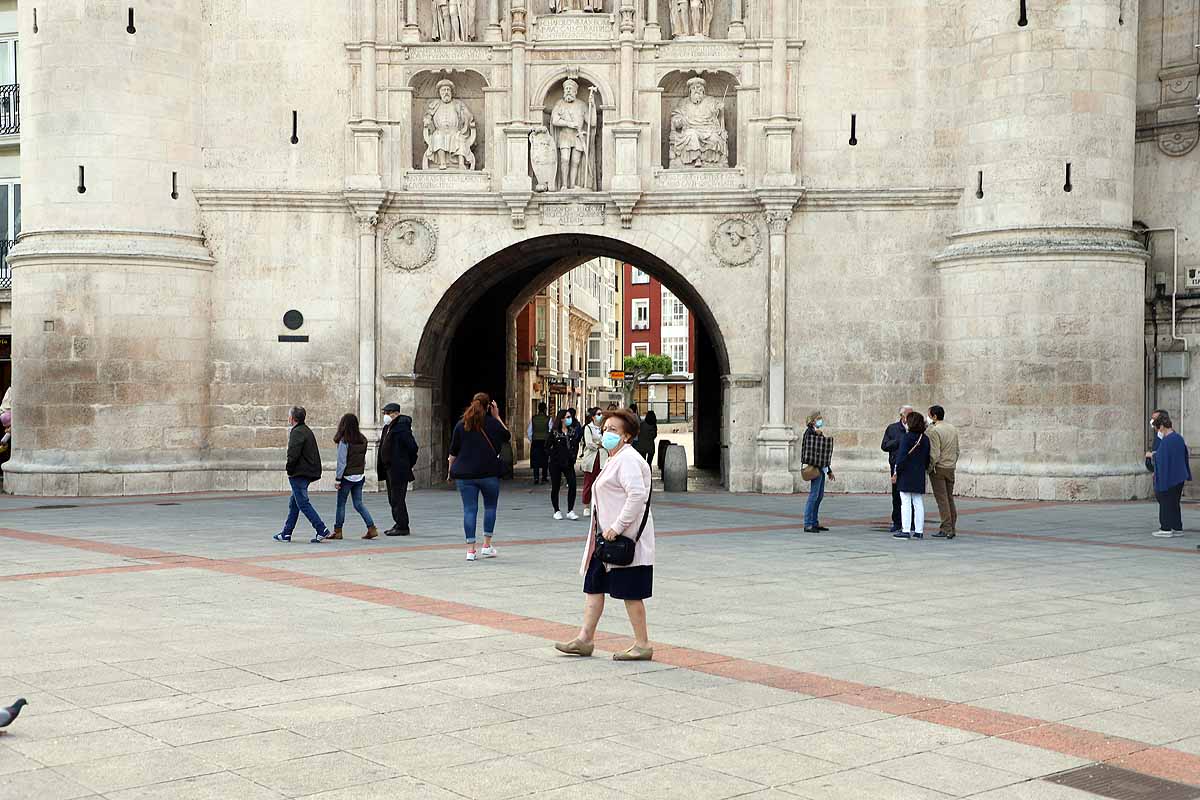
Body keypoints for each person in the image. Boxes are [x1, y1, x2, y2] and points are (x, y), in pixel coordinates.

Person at [555, 408, 655, 661]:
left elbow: (637, 496)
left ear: (627, 436)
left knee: (631, 593)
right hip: (605, 542)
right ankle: (584, 639)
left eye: (614, 430)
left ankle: (642, 644)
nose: (606, 432)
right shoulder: (614, 458)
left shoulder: (629, 459)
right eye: (605, 428)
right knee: (594, 587)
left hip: (623, 540)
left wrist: (617, 527)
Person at [449, 393, 511, 561]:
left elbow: (453, 452)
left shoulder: (462, 424)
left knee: (469, 510)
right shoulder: (493, 424)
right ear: (489, 406)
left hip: (465, 474)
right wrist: (497, 417)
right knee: (490, 508)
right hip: (488, 473)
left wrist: (450, 470)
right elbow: (507, 436)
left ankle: (470, 550)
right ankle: (486, 545)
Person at [274, 406, 333, 544]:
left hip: (299, 473)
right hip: (306, 472)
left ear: (292, 418)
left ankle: (321, 529)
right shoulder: (305, 430)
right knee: (294, 503)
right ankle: (286, 533)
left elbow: (293, 453)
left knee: (303, 503)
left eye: (289, 416)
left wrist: (289, 469)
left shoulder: (297, 432)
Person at [331, 414, 379, 541]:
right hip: (359, 476)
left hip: (346, 477)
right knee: (358, 504)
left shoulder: (344, 441)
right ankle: (371, 527)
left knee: (341, 504)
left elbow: (342, 462)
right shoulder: (363, 439)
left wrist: (338, 479)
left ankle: (338, 531)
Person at [378, 402, 419, 536]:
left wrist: (407, 463)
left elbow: (413, 447)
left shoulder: (402, 428)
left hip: (399, 469)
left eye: (388, 413)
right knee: (392, 498)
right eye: (384, 413)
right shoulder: (388, 427)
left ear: (395, 413)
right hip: (389, 468)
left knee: (398, 498)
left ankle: (403, 526)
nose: (385, 416)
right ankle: (398, 522)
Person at [1148, 413, 1190, 537]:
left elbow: (1161, 457)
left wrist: (1151, 455)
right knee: (1175, 502)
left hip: (1169, 476)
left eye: (1157, 428)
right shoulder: (1178, 438)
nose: (1157, 431)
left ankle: (1165, 528)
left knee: (1165, 500)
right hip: (1179, 475)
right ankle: (1177, 527)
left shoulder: (1167, 441)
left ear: (1161, 426)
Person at [892, 411, 931, 540]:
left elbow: (901, 457)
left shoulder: (907, 437)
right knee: (918, 502)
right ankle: (919, 530)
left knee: (905, 501)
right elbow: (927, 458)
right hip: (919, 473)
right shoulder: (924, 438)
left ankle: (906, 529)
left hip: (906, 473)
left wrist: (896, 472)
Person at [926, 405, 960, 539]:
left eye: (929, 415)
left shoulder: (934, 431)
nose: (928, 418)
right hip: (950, 467)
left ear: (934, 416)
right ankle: (952, 527)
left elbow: (934, 453)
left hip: (938, 468)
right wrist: (952, 463)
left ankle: (946, 528)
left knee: (942, 500)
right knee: (949, 498)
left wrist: (929, 468)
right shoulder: (952, 428)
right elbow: (957, 450)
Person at [800, 410, 835, 533]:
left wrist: (829, 471)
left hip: (820, 467)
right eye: (819, 419)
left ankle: (814, 522)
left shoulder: (816, 432)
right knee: (813, 496)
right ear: (813, 420)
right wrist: (817, 435)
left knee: (819, 496)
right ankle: (808, 523)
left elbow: (823, 454)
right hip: (814, 467)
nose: (821, 421)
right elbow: (811, 449)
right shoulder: (809, 432)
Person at [881, 405, 914, 532]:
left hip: (911, 465)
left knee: (911, 495)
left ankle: (911, 522)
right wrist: (898, 441)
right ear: (902, 416)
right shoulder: (893, 428)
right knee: (896, 495)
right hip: (896, 465)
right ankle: (897, 522)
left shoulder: (915, 429)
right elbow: (884, 445)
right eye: (908, 415)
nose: (911, 418)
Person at [548, 410, 580, 521]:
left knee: (572, 484)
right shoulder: (554, 432)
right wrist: (554, 455)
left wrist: (574, 456)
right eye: (567, 417)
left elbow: (575, 445)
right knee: (555, 486)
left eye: (570, 417)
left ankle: (570, 510)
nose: (569, 419)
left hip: (569, 463)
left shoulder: (572, 431)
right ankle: (556, 510)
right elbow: (547, 446)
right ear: (562, 419)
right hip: (556, 463)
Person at [578, 407, 607, 517]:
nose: (601, 416)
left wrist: (601, 444)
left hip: (603, 458)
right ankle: (586, 506)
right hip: (592, 458)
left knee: (602, 483)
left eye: (601, 414)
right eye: (599, 414)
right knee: (588, 482)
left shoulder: (605, 428)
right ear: (593, 416)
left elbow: (608, 441)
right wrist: (600, 444)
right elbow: (589, 443)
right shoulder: (588, 428)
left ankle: (600, 506)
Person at [528, 402, 551, 485]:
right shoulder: (548, 419)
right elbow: (550, 430)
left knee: (536, 460)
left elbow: (529, 431)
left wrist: (532, 439)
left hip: (535, 442)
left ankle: (536, 477)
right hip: (544, 441)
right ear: (545, 409)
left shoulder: (533, 419)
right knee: (545, 460)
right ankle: (544, 477)